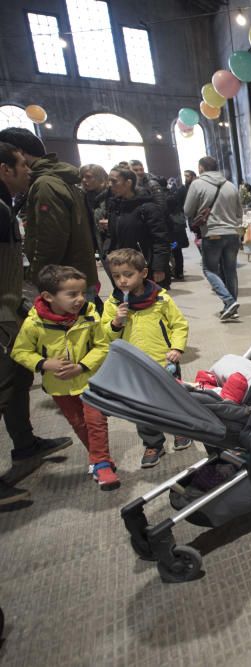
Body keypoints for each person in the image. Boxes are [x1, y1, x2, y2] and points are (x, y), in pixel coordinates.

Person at [0, 143, 73, 505]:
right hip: (5, 310)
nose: (26, 170)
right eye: (19, 166)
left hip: (10, 308)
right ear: (4, 170)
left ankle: (26, 445)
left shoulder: (20, 199)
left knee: (16, 381)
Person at [11, 265, 118, 490]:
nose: (80, 299)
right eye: (72, 294)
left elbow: (102, 345)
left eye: (82, 292)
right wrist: (44, 363)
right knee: (78, 423)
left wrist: (82, 366)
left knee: (95, 421)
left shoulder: (89, 314)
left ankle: (100, 463)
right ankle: (100, 458)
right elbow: (20, 352)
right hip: (59, 386)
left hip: (90, 381)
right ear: (48, 297)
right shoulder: (34, 322)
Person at [101, 248, 191, 468]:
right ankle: (153, 443)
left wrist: (177, 348)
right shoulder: (113, 304)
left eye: (128, 274)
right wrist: (115, 323)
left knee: (172, 399)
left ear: (143, 273)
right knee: (141, 407)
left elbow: (179, 324)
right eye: (116, 276)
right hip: (133, 366)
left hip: (164, 361)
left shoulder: (160, 298)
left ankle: (180, 430)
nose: (122, 280)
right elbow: (104, 335)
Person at [0, 128, 99, 298]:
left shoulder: (45, 183)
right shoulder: (57, 177)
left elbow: (51, 240)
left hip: (64, 284)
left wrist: (35, 276)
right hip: (71, 277)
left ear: (20, 153)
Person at [183, 156, 243, 320]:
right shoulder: (230, 185)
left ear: (201, 168)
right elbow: (239, 213)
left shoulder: (197, 184)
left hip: (212, 233)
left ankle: (229, 301)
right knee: (230, 270)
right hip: (232, 234)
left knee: (209, 269)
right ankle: (232, 307)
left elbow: (187, 210)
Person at [104, 167, 170, 287]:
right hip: (120, 266)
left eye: (114, 181)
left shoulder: (148, 207)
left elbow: (160, 239)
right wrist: (106, 253)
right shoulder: (115, 207)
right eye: (109, 181)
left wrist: (158, 267)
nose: (110, 185)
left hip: (144, 268)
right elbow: (111, 235)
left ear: (128, 183)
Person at [164, 171, 194, 280]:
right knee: (177, 251)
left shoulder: (167, 198)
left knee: (172, 250)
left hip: (172, 230)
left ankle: (176, 271)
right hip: (178, 227)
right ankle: (179, 272)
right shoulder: (178, 192)